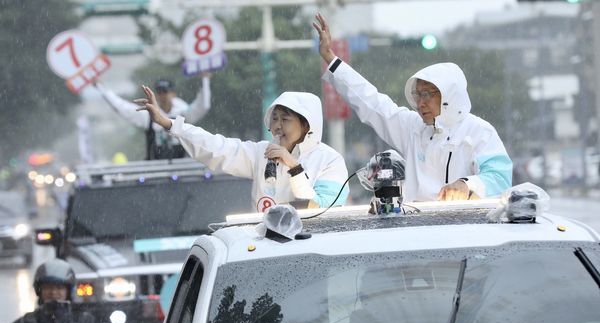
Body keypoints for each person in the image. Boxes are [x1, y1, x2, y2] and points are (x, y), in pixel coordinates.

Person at [313, 13, 513, 202]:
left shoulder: (479, 131)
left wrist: (467, 185)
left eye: (427, 94)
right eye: (418, 95)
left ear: (449, 95)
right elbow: (371, 102)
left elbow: (500, 177)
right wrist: (331, 59)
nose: (420, 103)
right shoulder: (413, 127)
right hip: (416, 230)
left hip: (466, 231)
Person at [135, 86, 349, 212]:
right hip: (265, 250)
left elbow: (320, 209)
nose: (277, 126)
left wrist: (293, 167)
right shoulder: (261, 153)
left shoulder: (330, 161)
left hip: (311, 255)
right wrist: (169, 124)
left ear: (306, 124)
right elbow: (217, 148)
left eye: (285, 119)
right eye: (274, 119)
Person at [96, 77, 211, 160]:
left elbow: (203, 106)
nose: (162, 95)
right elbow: (122, 108)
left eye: (165, 91)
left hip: (183, 166)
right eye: (159, 92)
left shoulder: (183, 113)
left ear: (173, 93)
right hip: (156, 168)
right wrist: (101, 87)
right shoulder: (148, 114)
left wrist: (205, 80)